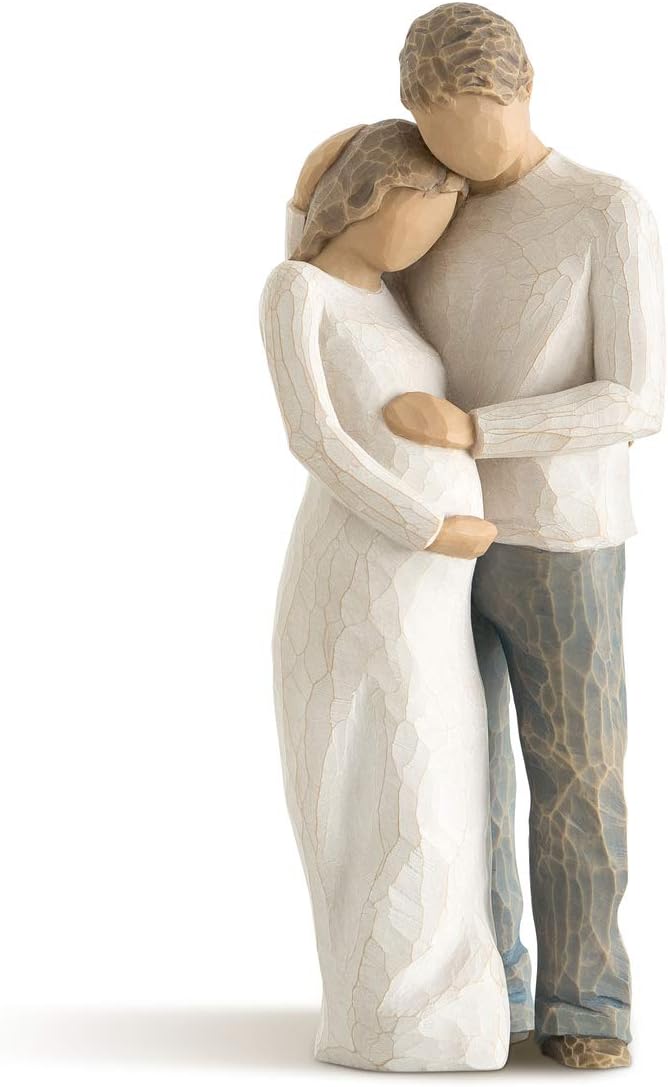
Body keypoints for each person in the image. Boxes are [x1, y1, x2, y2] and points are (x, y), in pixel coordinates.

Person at [285, 4, 665, 1070]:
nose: (456, 152)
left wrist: (478, 430)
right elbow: (344, 301)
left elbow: (638, 396)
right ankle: (489, 983)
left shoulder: (604, 208)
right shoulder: (435, 204)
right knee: (458, 776)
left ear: (523, 87)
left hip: (562, 536)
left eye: (474, 121)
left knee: (576, 772)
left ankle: (587, 1002)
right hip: (429, 551)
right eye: (434, 126)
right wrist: (305, 202)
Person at [259, 119, 510, 1072]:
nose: (438, 232)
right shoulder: (297, 290)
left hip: (432, 595)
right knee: (387, 780)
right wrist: (428, 525)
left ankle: (453, 1000)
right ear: (370, 197)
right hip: (365, 572)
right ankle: (382, 1014)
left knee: (444, 776)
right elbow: (315, 438)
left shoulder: (393, 298)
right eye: (429, 208)